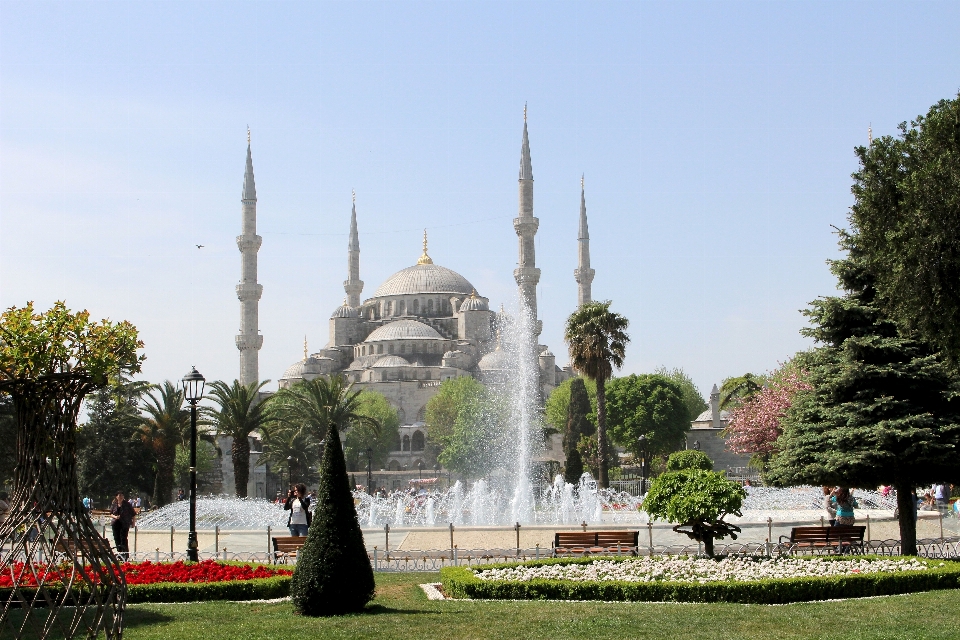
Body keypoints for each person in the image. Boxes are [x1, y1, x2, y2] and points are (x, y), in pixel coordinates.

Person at [109, 492, 136, 559]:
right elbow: (111, 513)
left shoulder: (127, 504)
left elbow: (133, 514)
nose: (121, 497)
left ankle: (125, 554)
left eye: (122, 496)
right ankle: (119, 554)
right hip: (115, 523)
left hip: (124, 523)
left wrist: (133, 523)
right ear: (116, 497)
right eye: (119, 496)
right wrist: (115, 517)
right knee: (116, 538)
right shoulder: (114, 504)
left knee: (123, 538)